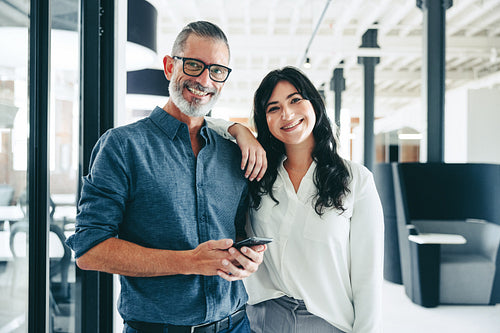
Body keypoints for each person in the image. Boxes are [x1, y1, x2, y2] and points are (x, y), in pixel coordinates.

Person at [66, 21, 267, 333]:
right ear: (170, 66)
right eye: (194, 65)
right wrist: (190, 261)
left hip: (237, 324)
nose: (204, 80)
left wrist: (246, 256)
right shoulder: (122, 146)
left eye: (217, 70)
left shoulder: (233, 153)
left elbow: (238, 231)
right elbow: (90, 251)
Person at [213, 66, 384, 333]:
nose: (287, 114)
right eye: (273, 108)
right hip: (263, 317)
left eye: (295, 100)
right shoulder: (258, 174)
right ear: (265, 120)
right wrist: (240, 131)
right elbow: (206, 125)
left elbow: (368, 275)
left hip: (328, 320)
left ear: (314, 104)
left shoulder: (356, 179)